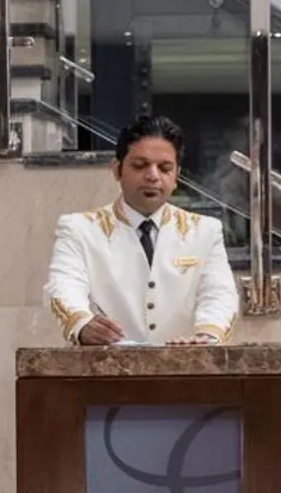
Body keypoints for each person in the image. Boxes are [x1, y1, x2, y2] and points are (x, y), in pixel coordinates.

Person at [45, 114, 240, 347]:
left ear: (176, 176)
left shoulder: (205, 231)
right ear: (117, 169)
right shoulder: (80, 229)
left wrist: (208, 338)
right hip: (104, 370)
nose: (153, 176)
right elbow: (63, 286)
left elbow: (220, 294)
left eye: (165, 168)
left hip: (183, 370)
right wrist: (82, 323)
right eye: (140, 166)